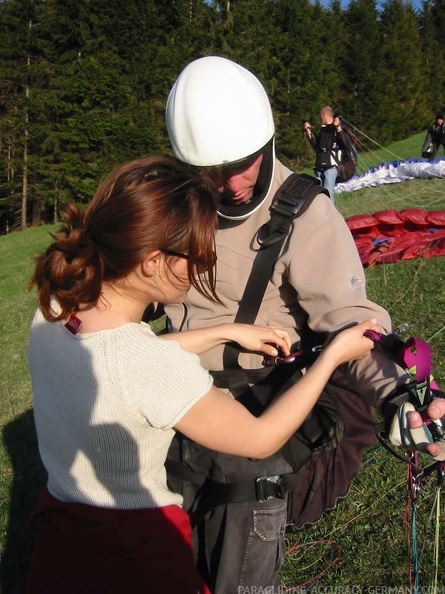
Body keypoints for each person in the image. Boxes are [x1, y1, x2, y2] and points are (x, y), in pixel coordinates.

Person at [25, 155, 378, 594]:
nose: (202, 266)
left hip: (61, 542)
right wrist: (332, 356)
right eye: (196, 253)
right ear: (153, 261)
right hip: (139, 553)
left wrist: (226, 332)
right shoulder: (152, 369)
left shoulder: (55, 313)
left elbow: (126, 358)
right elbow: (260, 438)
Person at [164, 56, 445, 594]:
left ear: (267, 139)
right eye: (213, 168)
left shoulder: (303, 212)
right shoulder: (170, 206)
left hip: (270, 392)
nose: (233, 180)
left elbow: (353, 324)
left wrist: (405, 396)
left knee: (245, 473)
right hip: (180, 382)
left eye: (245, 160)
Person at [304, 106, 348, 203]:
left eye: (320, 116)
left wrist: (338, 128)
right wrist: (309, 131)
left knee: (328, 193)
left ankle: (331, 215)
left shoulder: (336, 129)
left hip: (330, 168)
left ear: (323, 115)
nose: (320, 119)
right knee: (319, 194)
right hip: (320, 167)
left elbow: (344, 143)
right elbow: (317, 146)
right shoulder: (323, 130)